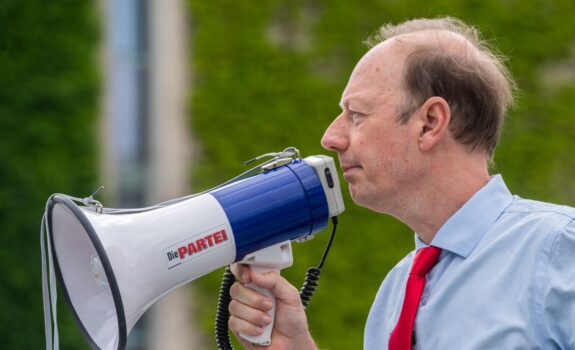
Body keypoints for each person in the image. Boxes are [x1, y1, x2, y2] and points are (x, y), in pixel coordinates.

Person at [227, 17, 575, 349]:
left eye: (357, 114)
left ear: (430, 122)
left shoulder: (558, 249)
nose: (330, 137)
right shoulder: (394, 293)